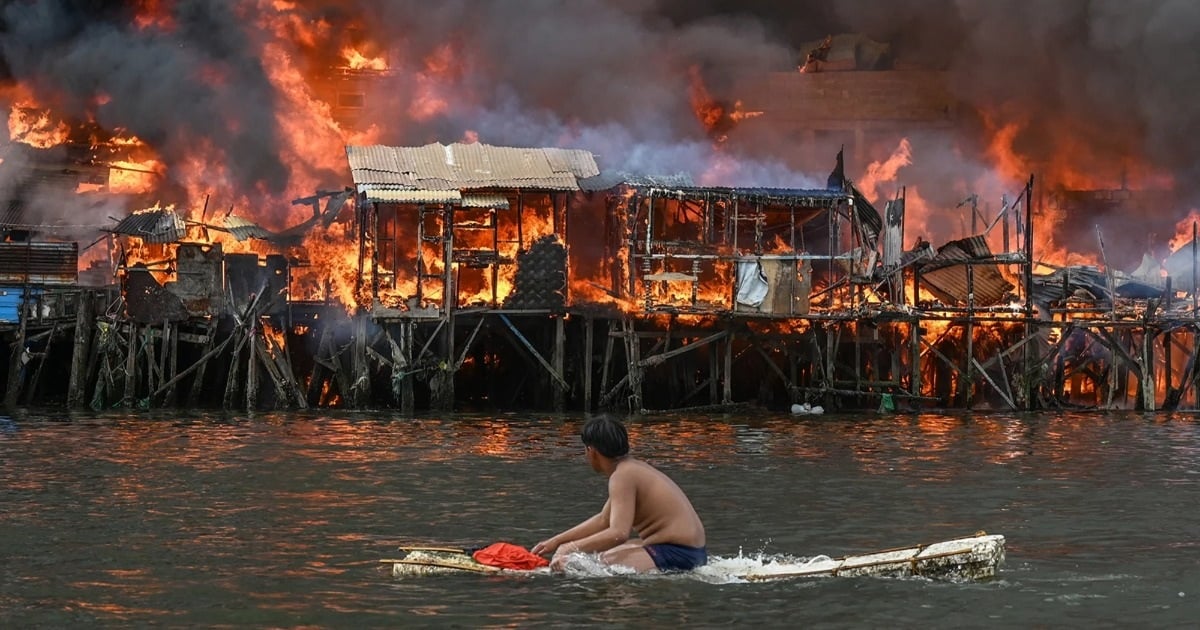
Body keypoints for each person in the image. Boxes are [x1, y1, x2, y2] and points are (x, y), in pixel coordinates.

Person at [531, 416, 707, 573]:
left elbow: (618, 533)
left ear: (591, 451)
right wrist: (555, 542)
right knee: (600, 554)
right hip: (691, 551)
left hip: (680, 554)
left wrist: (568, 548)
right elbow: (604, 520)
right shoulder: (630, 469)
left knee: (601, 564)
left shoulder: (622, 476)